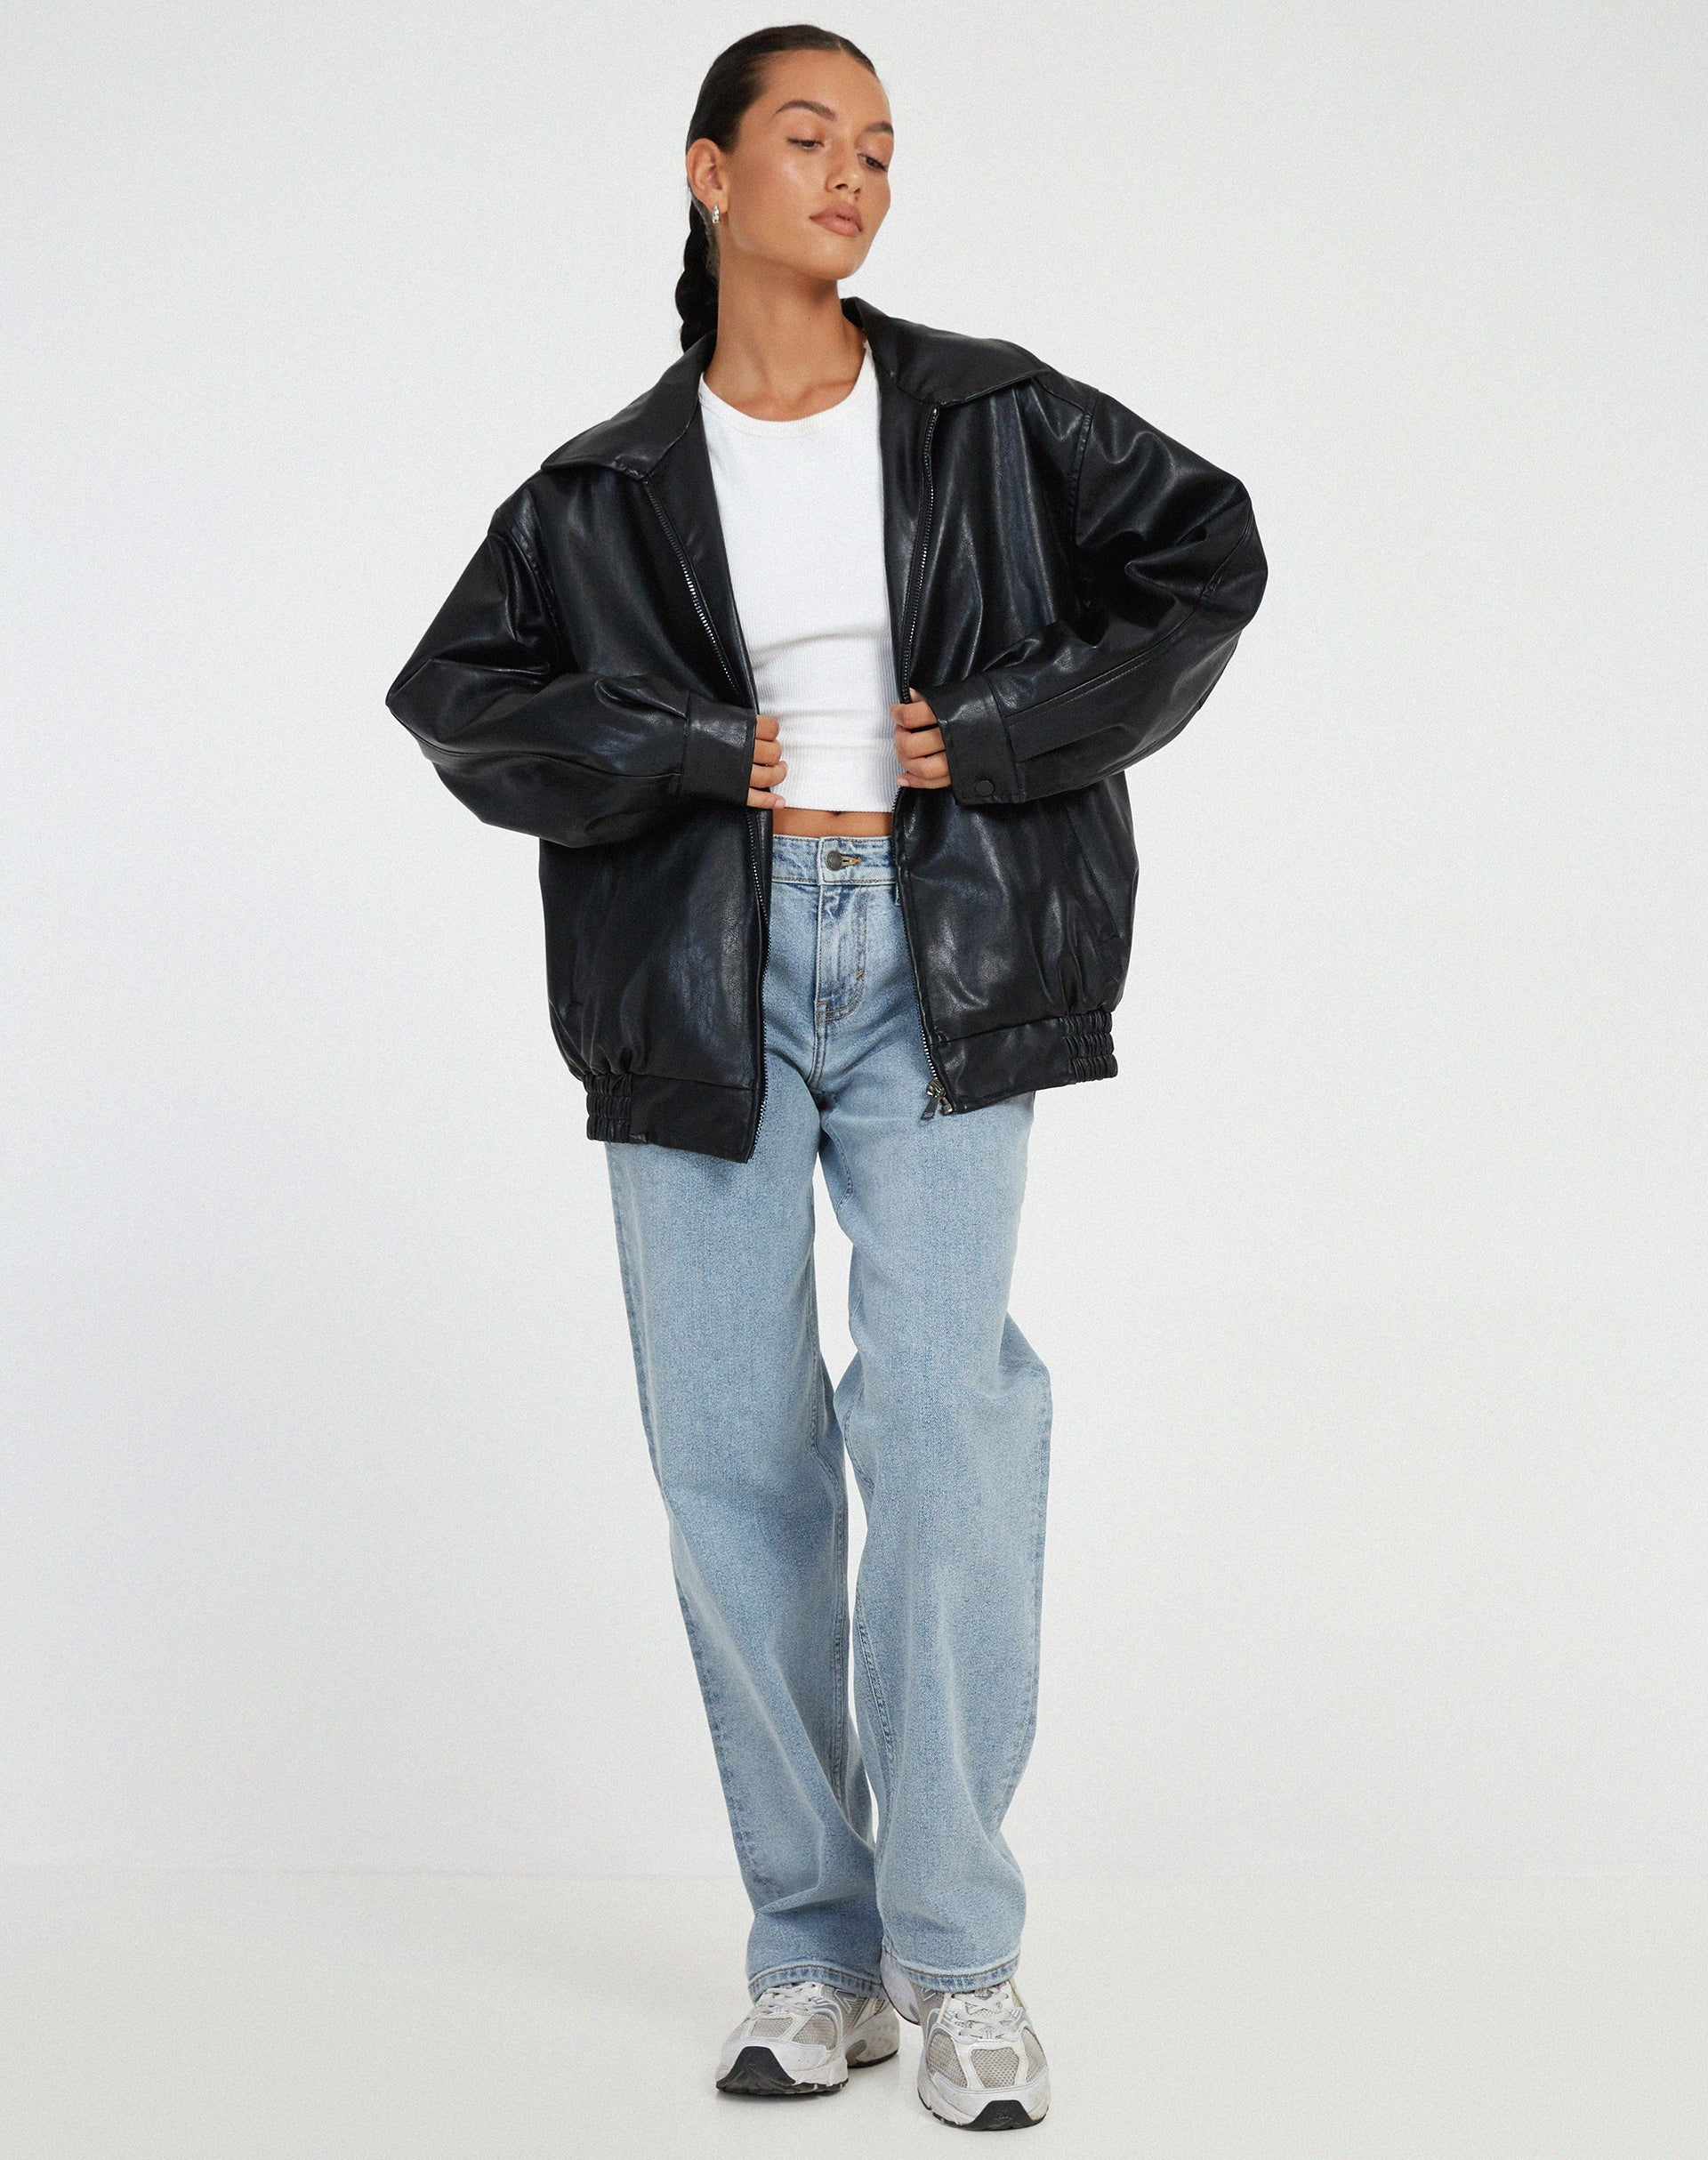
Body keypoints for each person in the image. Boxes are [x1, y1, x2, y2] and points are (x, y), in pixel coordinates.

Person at [386, 25, 1267, 2131]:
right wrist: (701, 752)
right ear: (709, 174)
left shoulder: (991, 410)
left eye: (878, 145)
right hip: (698, 969)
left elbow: (1208, 553)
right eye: (809, 137)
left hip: (941, 947)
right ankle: (809, 1941)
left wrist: (1021, 724)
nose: (854, 174)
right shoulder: (601, 488)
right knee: (731, 1453)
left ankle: (956, 1952)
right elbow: (458, 702)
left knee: (946, 1422)